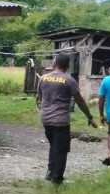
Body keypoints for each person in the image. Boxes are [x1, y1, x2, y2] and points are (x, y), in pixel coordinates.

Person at [36, 53, 98, 185]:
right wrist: (89, 117)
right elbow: (80, 101)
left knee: (54, 145)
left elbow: (40, 96)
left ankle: (51, 171)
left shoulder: (44, 78)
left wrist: (48, 107)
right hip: (60, 120)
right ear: (68, 65)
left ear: (55, 63)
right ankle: (56, 179)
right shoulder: (69, 80)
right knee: (61, 149)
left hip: (46, 118)